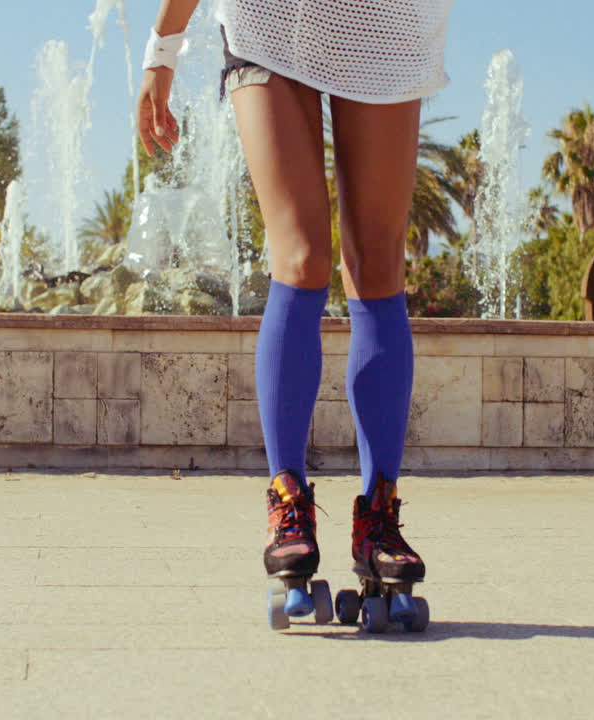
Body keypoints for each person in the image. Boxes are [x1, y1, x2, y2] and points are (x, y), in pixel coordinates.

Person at [138, 0, 453, 621]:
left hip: (383, 18)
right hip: (269, 16)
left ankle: (378, 518)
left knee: (378, 261)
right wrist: (163, 51)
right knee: (303, 253)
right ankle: (288, 502)